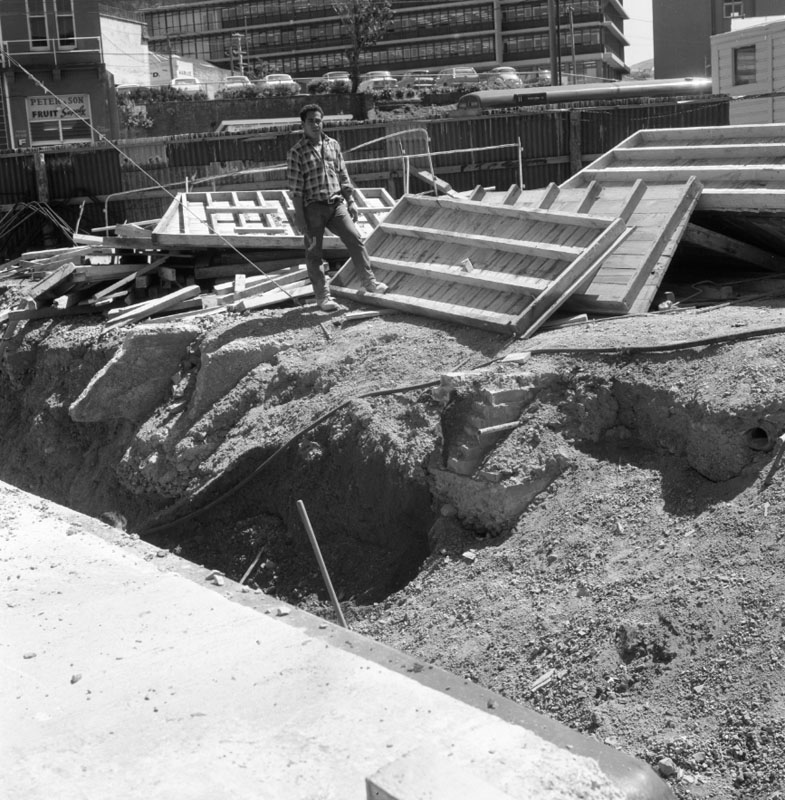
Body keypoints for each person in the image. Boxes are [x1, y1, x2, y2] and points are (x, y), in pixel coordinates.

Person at [286, 103, 388, 312]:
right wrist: (300, 218)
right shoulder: (296, 152)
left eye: (318, 120)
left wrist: (350, 201)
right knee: (314, 254)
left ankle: (369, 283)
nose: (315, 124)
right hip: (312, 208)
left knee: (355, 239)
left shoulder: (333, 145)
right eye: (311, 121)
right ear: (303, 124)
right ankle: (323, 298)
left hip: (336, 205)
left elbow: (343, 175)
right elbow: (296, 189)